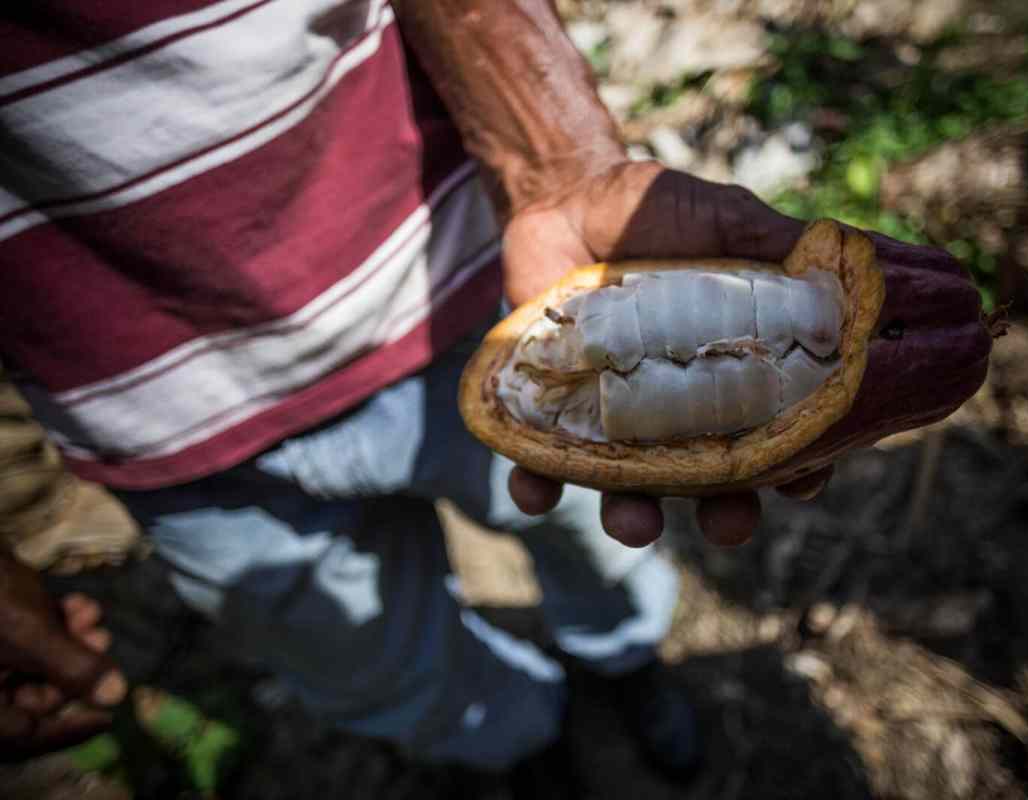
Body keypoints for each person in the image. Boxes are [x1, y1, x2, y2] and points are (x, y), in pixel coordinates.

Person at [0, 0, 834, 785]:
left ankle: (622, 658)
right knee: (375, 662)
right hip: (146, 413)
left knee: (600, 534)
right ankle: (515, 740)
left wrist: (559, 165)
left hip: (446, 283)